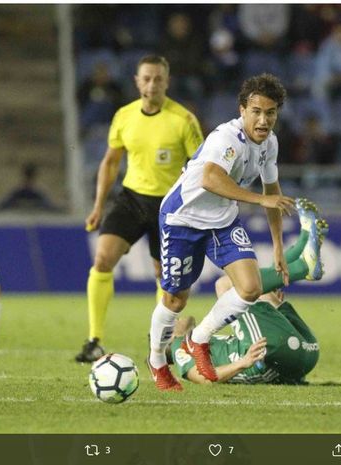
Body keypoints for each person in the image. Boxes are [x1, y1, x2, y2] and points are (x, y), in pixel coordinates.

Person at [147, 74, 320, 391]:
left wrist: (278, 245)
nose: (263, 119)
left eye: (270, 113)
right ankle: (157, 360)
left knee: (250, 288)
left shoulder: (270, 144)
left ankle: (199, 340)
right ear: (242, 110)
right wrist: (260, 199)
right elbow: (210, 179)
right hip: (182, 219)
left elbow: (273, 192)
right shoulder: (226, 138)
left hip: (222, 220)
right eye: (256, 111)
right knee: (175, 300)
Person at [76, 55, 204, 362]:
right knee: (103, 258)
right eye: (146, 78)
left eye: (158, 79)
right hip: (132, 198)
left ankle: (160, 339)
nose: (152, 84)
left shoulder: (183, 120)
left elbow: (201, 167)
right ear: (137, 81)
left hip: (170, 207)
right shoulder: (124, 116)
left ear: (167, 82)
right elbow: (110, 162)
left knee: (165, 278)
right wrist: (97, 207)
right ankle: (94, 339)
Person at [168, 214, 327, 385]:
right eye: (170, 324)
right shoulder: (179, 347)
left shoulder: (199, 341)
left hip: (301, 357)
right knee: (226, 286)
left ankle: (304, 244)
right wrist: (242, 363)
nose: (175, 318)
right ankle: (303, 266)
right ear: (167, 339)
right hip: (272, 354)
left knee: (258, 291)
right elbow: (202, 378)